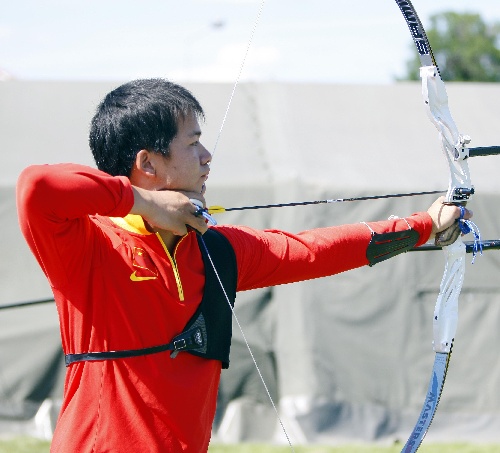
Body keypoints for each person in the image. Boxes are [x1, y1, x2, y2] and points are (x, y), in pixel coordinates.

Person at [16, 78, 470, 453]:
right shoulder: (88, 243)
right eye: (193, 144)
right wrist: (144, 203)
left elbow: (317, 248)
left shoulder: (218, 251)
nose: (207, 158)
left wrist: (424, 226)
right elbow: (37, 186)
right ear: (146, 163)